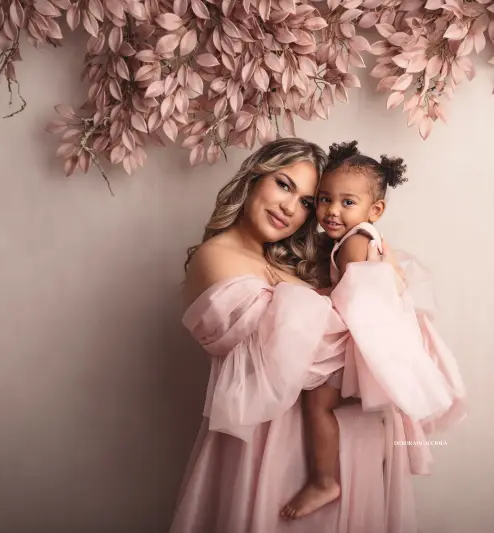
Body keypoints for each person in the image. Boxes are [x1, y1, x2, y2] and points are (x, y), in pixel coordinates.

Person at [170, 137, 462, 533]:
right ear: (254, 177)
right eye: (284, 185)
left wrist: (380, 283)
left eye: (308, 201)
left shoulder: (291, 265)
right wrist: (380, 294)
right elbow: (317, 346)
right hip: (271, 456)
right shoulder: (217, 256)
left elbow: (356, 328)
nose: (291, 208)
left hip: (343, 449)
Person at [280, 141, 467, 520]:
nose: (331, 211)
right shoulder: (370, 238)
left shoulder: (355, 241)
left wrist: (312, 293)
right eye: (324, 199)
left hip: (361, 331)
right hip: (376, 325)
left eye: (347, 202)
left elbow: (352, 298)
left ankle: (324, 480)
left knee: (317, 403)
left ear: (375, 209)